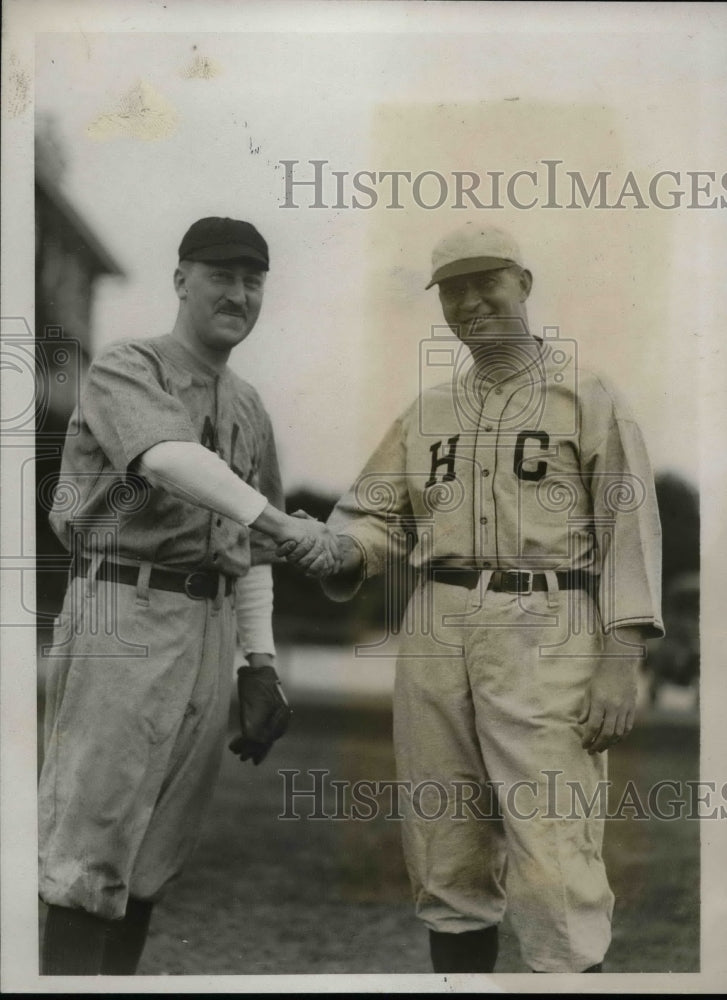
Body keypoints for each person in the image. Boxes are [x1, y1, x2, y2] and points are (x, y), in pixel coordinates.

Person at [280, 223, 664, 974]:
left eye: (484, 281)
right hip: (437, 619)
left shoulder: (586, 393)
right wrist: (321, 544)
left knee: (553, 855)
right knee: (445, 848)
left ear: (522, 282)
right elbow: (371, 521)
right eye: (451, 288)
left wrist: (621, 657)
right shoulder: (425, 411)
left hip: (549, 618)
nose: (468, 301)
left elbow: (630, 525)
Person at [38, 216, 339, 975]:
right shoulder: (126, 366)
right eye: (220, 275)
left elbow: (250, 553)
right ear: (180, 280)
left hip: (207, 621)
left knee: (152, 857)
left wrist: (260, 662)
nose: (237, 294)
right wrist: (277, 520)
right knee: (89, 852)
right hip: (123, 610)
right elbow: (169, 458)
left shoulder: (248, 405)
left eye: (252, 280)